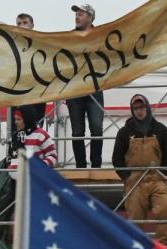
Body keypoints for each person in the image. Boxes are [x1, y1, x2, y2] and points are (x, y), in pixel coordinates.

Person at [111, 94, 167, 248]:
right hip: (135, 182)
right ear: (132, 110)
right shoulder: (124, 133)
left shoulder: (161, 129)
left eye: (141, 107)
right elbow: (117, 159)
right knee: (135, 218)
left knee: (166, 209)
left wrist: (162, 173)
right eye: (135, 108)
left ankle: (165, 247)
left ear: (147, 107)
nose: (139, 111)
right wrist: (127, 177)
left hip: (156, 179)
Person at [66, 4, 104, 168]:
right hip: (74, 90)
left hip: (94, 88)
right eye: (76, 14)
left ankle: (96, 166)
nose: (77, 16)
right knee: (77, 131)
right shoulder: (67, 37)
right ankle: (80, 167)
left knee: (96, 128)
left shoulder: (100, 36)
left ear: (90, 17)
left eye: (81, 14)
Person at [7, 108, 56, 175]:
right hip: (17, 179)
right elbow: (10, 159)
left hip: (37, 177)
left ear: (27, 119)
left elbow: (53, 156)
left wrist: (40, 167)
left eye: (19, 119)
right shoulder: (14, 136)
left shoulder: (40, 134)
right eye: (15, 119)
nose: (16, 122)